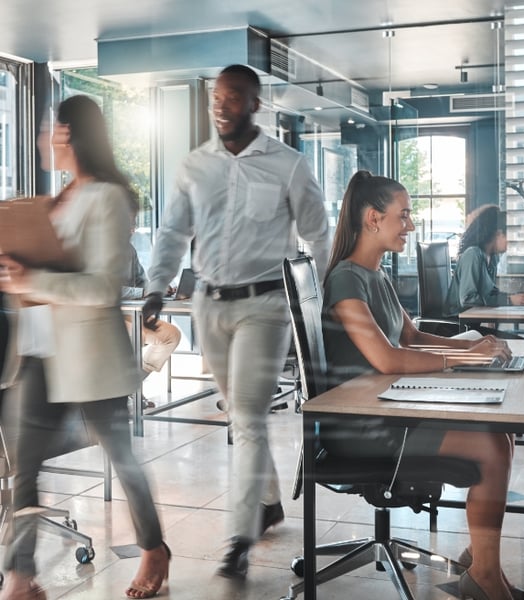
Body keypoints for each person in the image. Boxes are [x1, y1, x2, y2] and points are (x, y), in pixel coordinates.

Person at [142, 64, 330, 580]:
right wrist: (157, 286)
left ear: (255, 104)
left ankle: (240, 537)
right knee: (241, 417)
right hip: (209, 305)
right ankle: (267, 501)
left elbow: (318, 237)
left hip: (265, 308)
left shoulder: (288, 165)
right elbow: (172, 233)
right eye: (216, 97)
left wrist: (323, 302)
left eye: (233, 97)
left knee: (246, 416)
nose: (221, 105)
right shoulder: (193, 166)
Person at [0, 95, 169, 600]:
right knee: (23, 465)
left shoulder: (110, 198)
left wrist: (36, 277)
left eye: (49, 128)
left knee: (122, 456)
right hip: (38, 351)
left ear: (69, 133)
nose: (42, 138)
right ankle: (21, 575)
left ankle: (153, 548)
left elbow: (101, 288)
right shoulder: (58, 197)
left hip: (90, 358)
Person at [321, 170, 516, 600]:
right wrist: (464, 357)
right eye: (404, 215)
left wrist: (473, 348)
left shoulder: (377, 275)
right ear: (373, 218)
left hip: (388, 411)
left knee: (500, 437)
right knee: (489, 445)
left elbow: (410, 337)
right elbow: (387, 358)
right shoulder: (346, 279)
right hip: (361, 429)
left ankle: (483, 563)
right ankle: (483, 576)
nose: (411, 225)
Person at [444, 204, 524, 337]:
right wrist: (510, 300)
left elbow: (490, 292)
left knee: (520, 339)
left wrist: (516, 297)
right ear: (498, 234)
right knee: (518, 340)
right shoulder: (473, 254)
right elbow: (468, 299)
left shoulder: (492, 258)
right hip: (457, 328)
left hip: (472, 327)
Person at [122, 233, 181, 407]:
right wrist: (141, 293)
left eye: (133, 223)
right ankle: (122, 389)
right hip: (106, 316)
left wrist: (157, 289)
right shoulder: (95, 248)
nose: (131, 228)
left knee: (171, 334)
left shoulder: (129, 250)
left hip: (131, 313)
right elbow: (104, 289)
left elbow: (140, 282)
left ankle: (131, 385)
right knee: (134, 339)